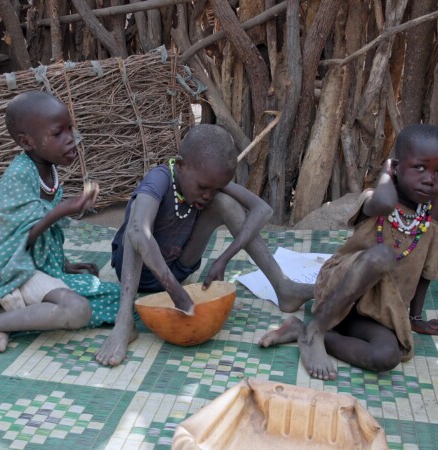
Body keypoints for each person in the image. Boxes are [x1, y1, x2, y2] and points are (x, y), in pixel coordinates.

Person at [95, 124, 315, 366]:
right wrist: (174, 290)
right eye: (203, 188)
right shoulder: (159, 179)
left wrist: (225, 257)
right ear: (180, 165)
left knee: (226, 203)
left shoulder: (207, 179)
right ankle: (124, 320)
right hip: (141, 274)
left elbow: (263, 210)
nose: (207, 195)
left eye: (214, 187)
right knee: (137, 225)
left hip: (180, 266)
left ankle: (283, 287)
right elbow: (138, 231)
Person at [0, 91, 119, 361]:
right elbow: (17, 238)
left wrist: (63, 264)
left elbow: (35, 233)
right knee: (78, 309)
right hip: (7, 270)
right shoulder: (21, 173)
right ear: (26, 142)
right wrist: (61, 210)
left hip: (29, 268)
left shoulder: (48, 169)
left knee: (109, 296)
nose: (70, 139)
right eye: (58, 133)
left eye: (70, 129)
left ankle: (7, 314)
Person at [259, 124, 438, 380]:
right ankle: (316, 330)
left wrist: (415, 318)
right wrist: (386, 173)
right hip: (339, 290)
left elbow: (428, 270)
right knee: (382, 255)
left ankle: (302, 331)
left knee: (387, 356)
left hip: (378, 309)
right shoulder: (376, 199)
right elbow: (384, 203)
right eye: (420, 167)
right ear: (396, 167)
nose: (430, 179)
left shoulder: (435, 211)